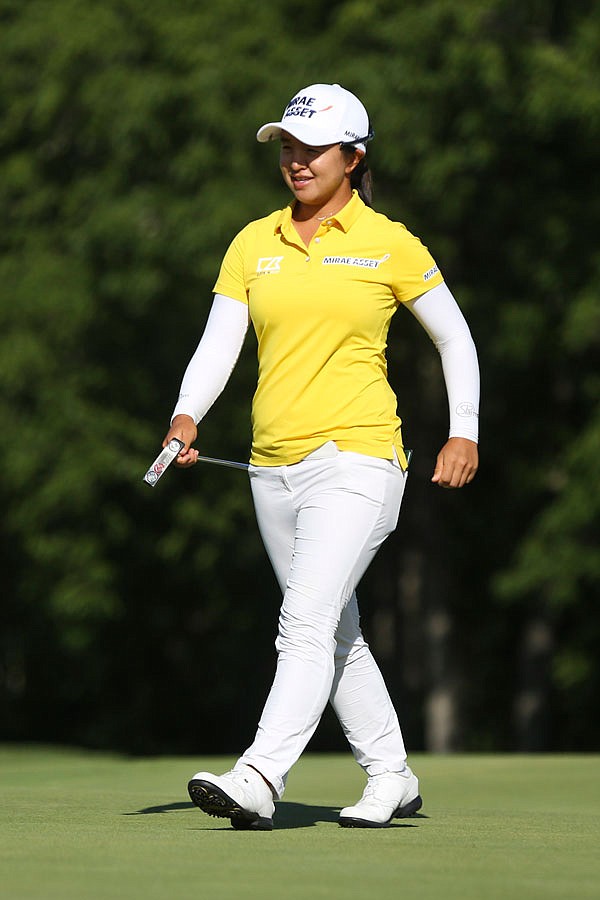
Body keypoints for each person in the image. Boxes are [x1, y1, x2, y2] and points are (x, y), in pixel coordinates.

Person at [162, 83, 479, 830]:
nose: (296, 162)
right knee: (335, 633)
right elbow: (219, 344)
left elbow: (455, 338)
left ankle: (259, 775)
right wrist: (185, 417)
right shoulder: (253, 242)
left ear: (354, 157)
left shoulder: (389, 242)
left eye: (312, 149)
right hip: (270, 467)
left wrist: (462, 429)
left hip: (360, 459)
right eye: (288, 149)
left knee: (302, 621)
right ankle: (391, 775)